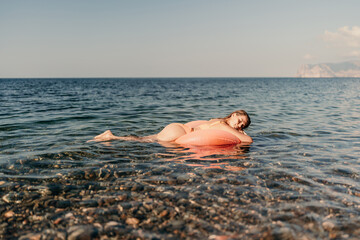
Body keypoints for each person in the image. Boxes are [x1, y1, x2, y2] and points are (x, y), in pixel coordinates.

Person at [89, 110, 253, 143]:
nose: (239, 125)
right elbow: (248, 141)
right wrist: (242, 133)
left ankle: (110, 136)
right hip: (180, 131)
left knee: (147, 138)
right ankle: (111, 137)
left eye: (242, 125)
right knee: (145, 141)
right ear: (232, 115)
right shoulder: (224, 126)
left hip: (179, 128)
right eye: (239, 121)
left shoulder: (218, 120)